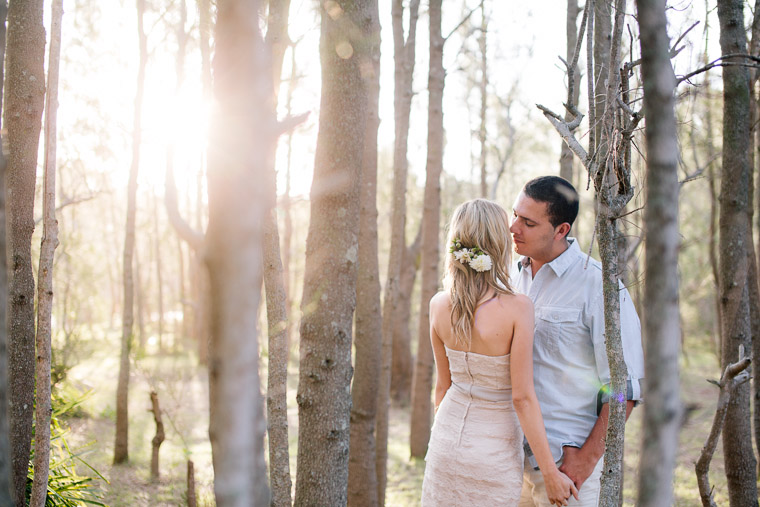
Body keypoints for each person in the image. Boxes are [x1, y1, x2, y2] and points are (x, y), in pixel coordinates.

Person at [421, 198, 578, 506]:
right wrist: (550, 474)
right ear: (498, 244)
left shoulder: (438, 304)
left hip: (444, 443)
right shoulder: (518, 308)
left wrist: (448, 439)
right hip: (492, 453)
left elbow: (442, 388)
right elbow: (522, 397)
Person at [509, 176, 645, 507]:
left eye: (528, 222)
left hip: (565, 467)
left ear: (561, 230)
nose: (514, 227)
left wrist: (586, 458)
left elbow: (622, 387)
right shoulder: (510, 278)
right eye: (514, 215)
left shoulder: (598, 286)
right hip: (509, 462)